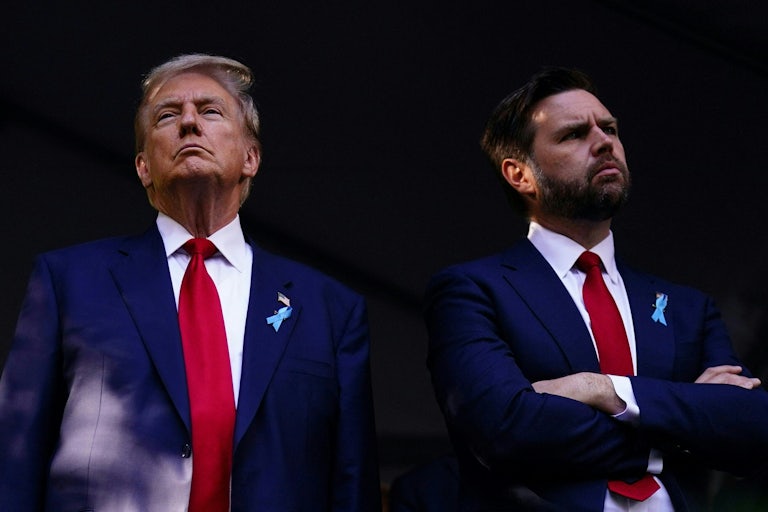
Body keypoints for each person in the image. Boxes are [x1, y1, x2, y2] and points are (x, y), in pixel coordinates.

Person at [0, 54, 381, 511]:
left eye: (210, 110)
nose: (188, 123)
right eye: (167, 115)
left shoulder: (330, 309)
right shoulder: (67, 282)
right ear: (143, 167)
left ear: (251, 157)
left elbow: (352, 481)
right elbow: (14, 461)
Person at [424, 67, 768, 511]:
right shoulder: (472, 291)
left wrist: (603, 389)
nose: (604, 141)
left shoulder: (687, 307)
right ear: (520, 174)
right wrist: (689, 422)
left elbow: (754, 429)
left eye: (609, 128)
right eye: (573, 134)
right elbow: (504, 430)